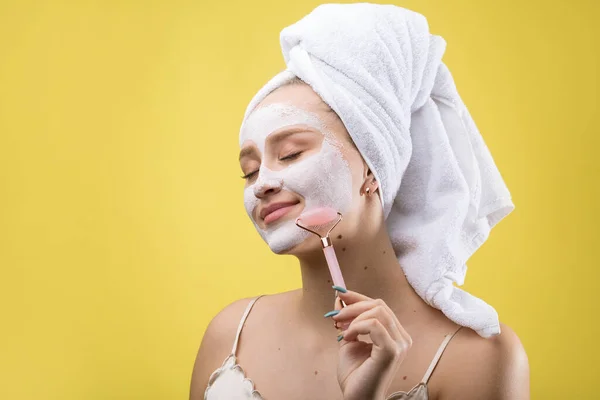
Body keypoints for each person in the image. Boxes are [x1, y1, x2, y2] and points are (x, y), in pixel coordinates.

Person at [191, 4, 529, 399]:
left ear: (372, 167)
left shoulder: (478, 358)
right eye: (249, 171)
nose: (262, 183)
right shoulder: (230, 335)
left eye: (290, 154)